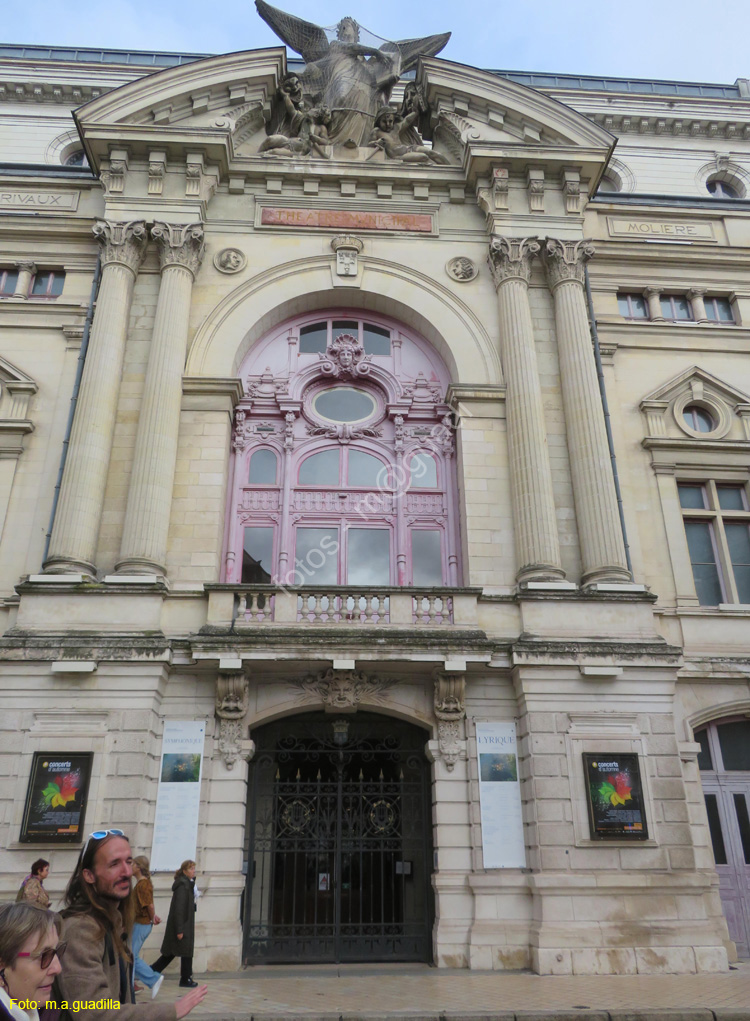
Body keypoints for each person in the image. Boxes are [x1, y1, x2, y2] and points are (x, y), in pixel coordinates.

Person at [55, 830, 206, 1021]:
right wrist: (171, 1011)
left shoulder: (115, 923)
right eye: (114, 864)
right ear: (89, 875)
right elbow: (95, 1012)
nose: (126, 872)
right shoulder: (80, 929)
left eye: (128, 862)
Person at [0, 901, 63, 1021]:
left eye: (56, 952)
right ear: (2, 965)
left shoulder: (46, 1011)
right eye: (43, 955)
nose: (57, 968)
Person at [150, 863, 197, 988]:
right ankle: (152, 971)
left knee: (182, 951)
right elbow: (179, 909)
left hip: (185, 924)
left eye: (194, 868)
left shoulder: (187, 884)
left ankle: (185, 978)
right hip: (183, 925)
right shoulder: (183, 886)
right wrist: (180, 929)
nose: (194, 871)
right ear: (185, 871)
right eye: (191, 868)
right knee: (172, 952)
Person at [130, 858, 162, 1000]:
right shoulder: (142, 884)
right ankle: (131, 985)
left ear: (138, 867)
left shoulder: (143, 885)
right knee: (130, 956)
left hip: (141, 924)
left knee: (132, 957)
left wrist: (151, 917)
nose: (130, 867)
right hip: (140, 923)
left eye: (132, 864)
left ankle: (153, 979)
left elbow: (149, 904)